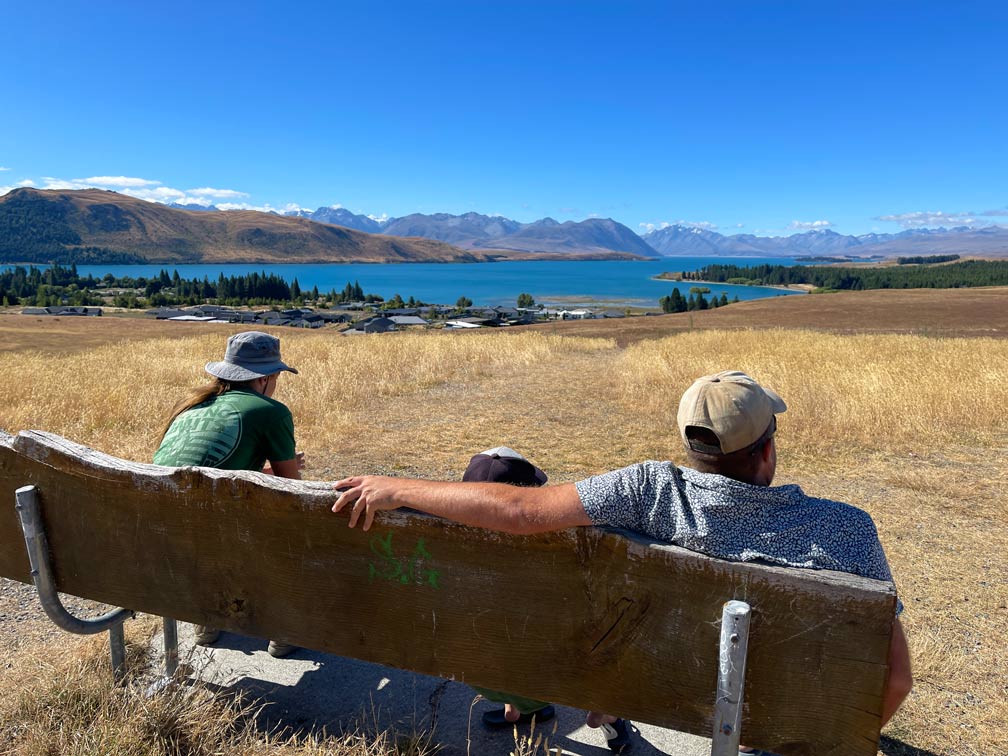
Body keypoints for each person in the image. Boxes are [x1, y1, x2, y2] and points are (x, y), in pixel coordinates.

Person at [332, 371, 913, 753]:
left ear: (693, 446)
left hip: (658, 689)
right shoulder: (846, 529)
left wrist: (400, 489)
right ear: (766, 448)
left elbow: (517, 510)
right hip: (779, 717)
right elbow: (895, 678)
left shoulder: (649, 489)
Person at [461, 446, 633, 752]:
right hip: (560, 674)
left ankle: (518, 707)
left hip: (481, 675)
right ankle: (604, 713)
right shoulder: (566, 554)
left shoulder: (450, 552)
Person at [154, 330, 304, 658]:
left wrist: (262, 470)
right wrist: (286, 466)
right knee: (290, 525)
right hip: (216, 528)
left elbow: (202, 473)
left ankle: (207, 618)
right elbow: (291, 489)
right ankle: (283, 626)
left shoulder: (191, 406)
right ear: (266, 378)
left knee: (206, 521)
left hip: (161, 525)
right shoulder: (270, 411)